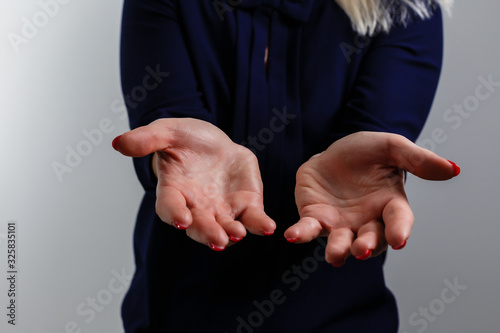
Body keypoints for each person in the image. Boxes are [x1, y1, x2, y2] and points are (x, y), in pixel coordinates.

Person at [112, 0, 459, 332]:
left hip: (338, 318)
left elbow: (374, 131)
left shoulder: (406, 7)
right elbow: (166, 124)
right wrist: (174, 158)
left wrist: (368, 167)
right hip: (176, 311)